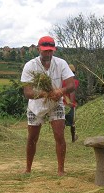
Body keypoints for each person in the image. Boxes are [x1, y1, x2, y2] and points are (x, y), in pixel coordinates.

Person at [20, 36, 75, 176]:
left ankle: (61, 170)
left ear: (54, 50)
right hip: (36, 106)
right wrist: (46, 94)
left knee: (59, 135)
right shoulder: (30, 66)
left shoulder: (61, 63)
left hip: (56, 103)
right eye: (45, 51)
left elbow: (71, 85)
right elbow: (27, 92)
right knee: (32, 138)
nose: (48, 54)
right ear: (39, 49)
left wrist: (60, 91)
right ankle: (28, 169)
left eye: (50, 51)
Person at [63, 64, 79, 142]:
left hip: (61, 103)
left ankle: (61, 138)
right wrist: (72, 103)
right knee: (72, 123)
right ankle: (73, 138)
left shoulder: (61, 81)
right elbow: (72, 93)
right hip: (69, 104)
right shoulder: (74, 82)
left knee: (61, 121)